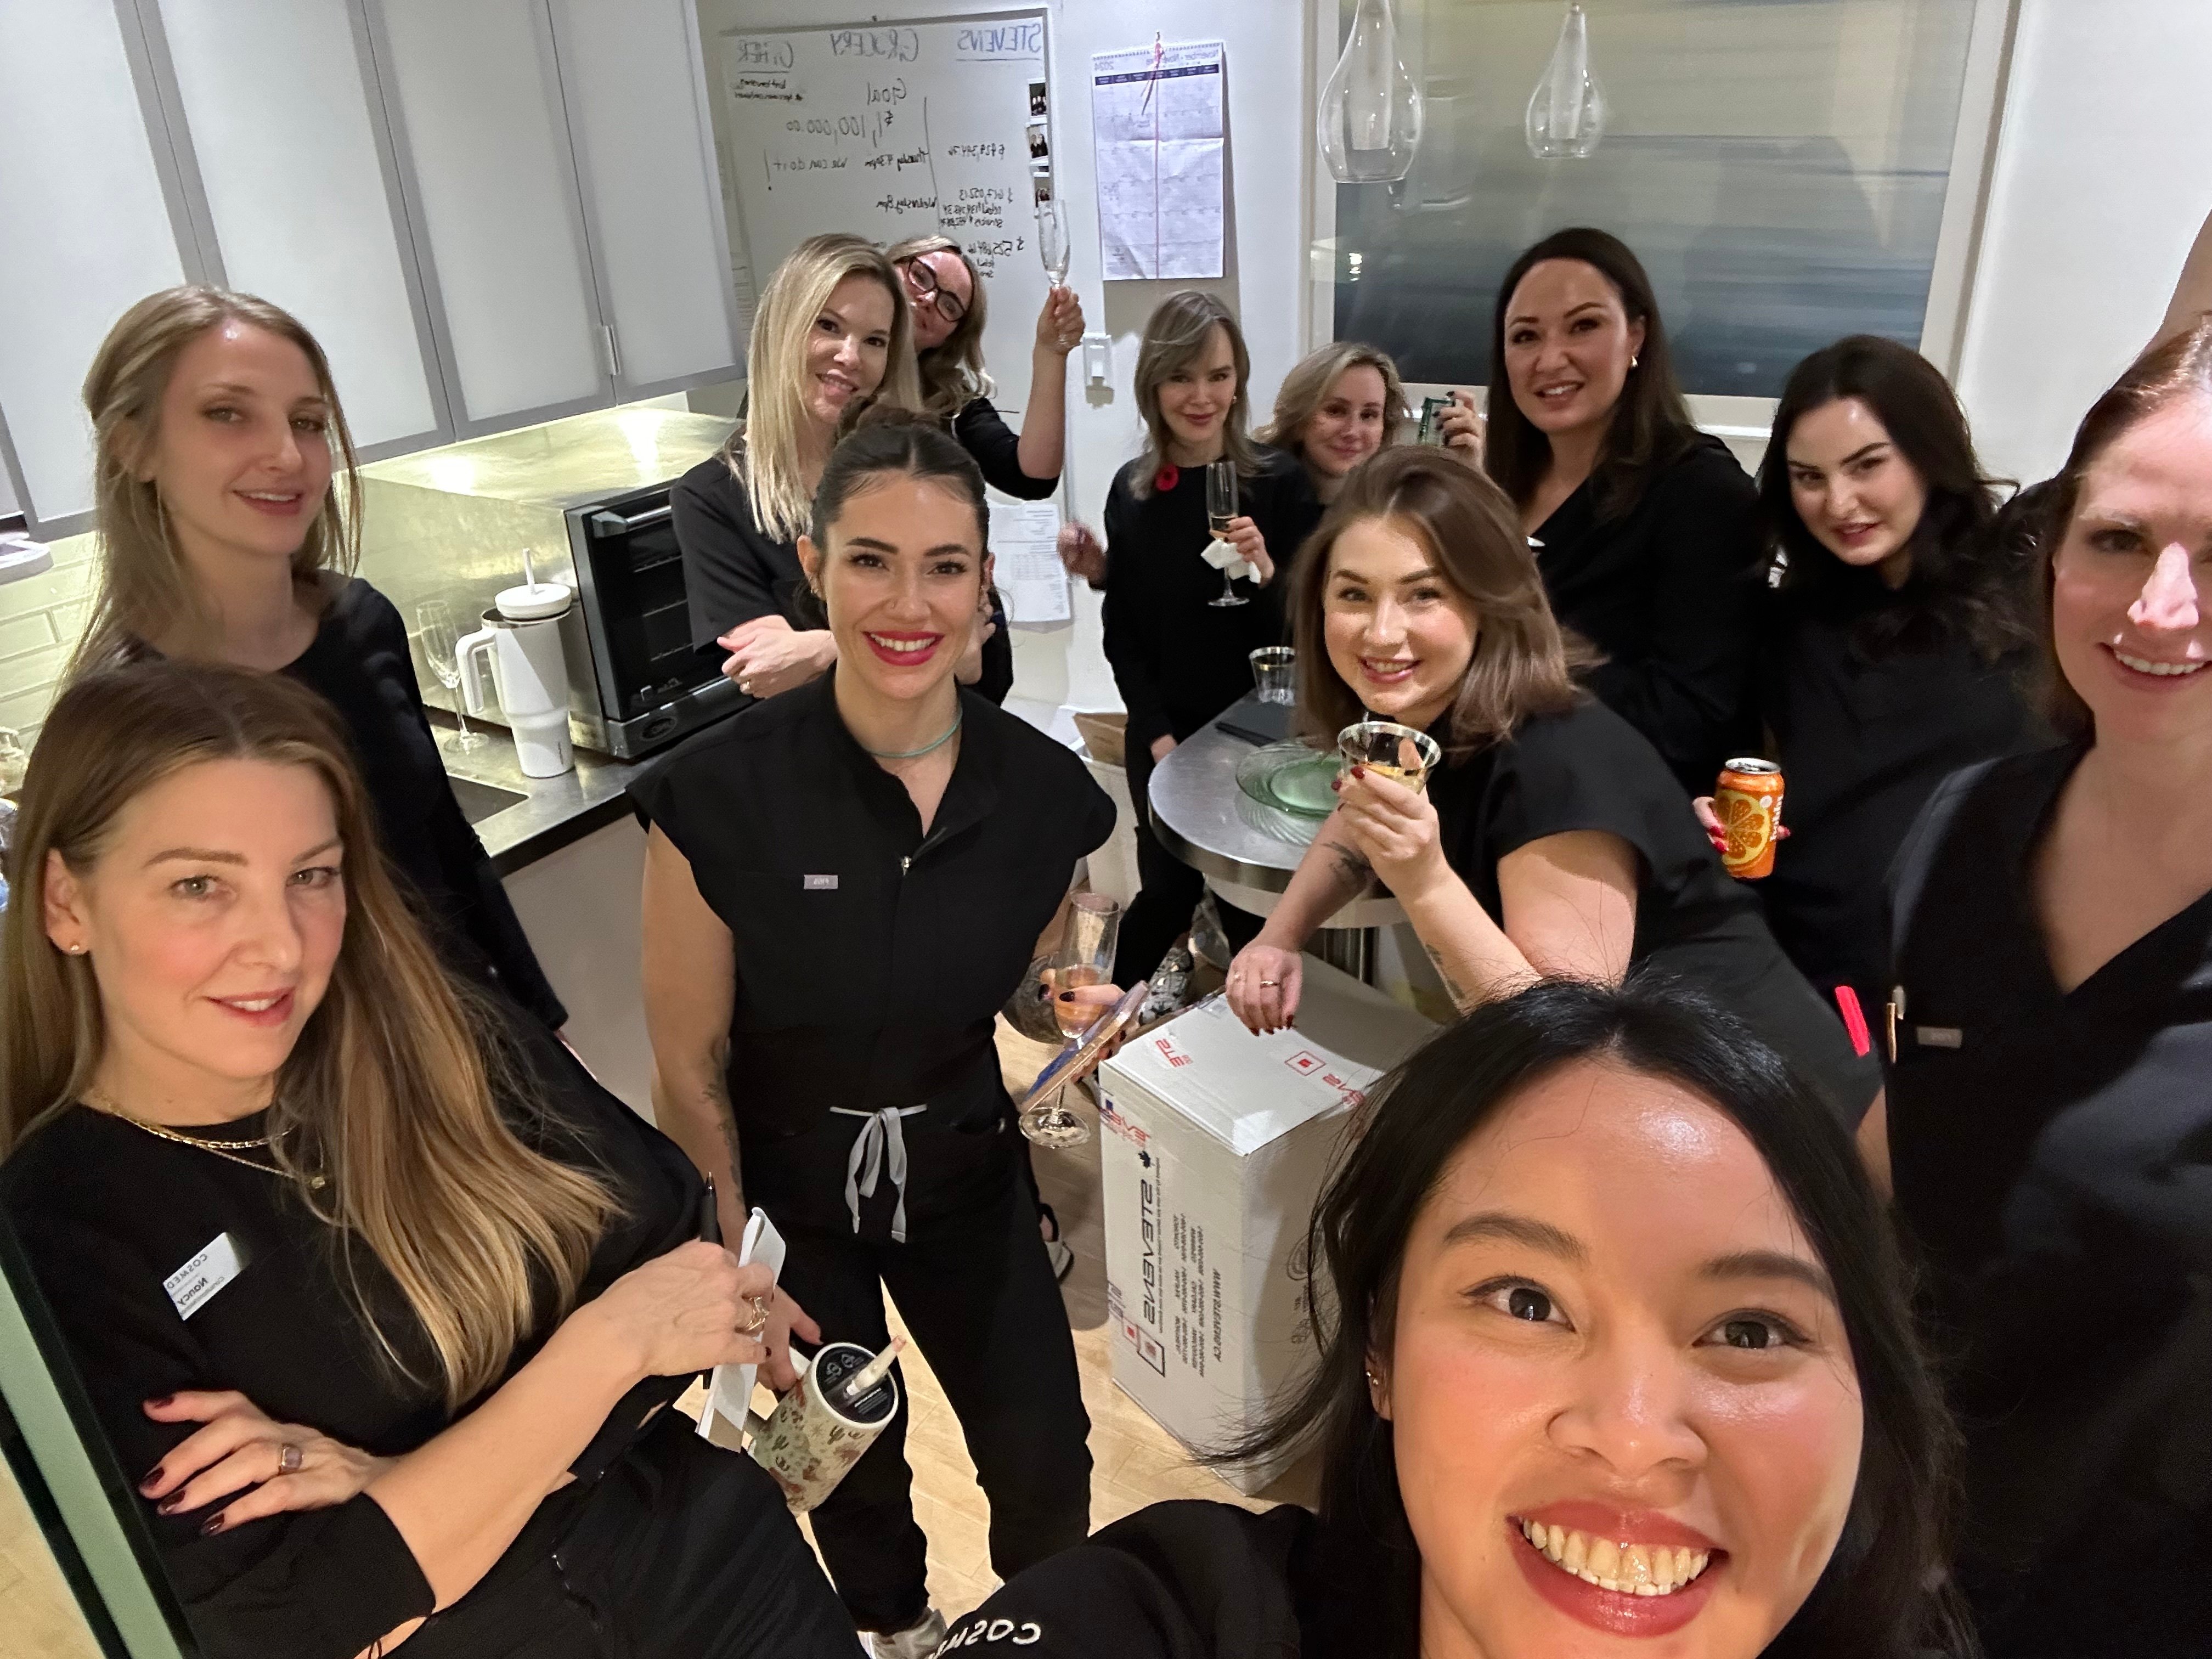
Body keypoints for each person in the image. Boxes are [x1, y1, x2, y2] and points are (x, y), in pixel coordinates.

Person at [0, 661, 853, 1659]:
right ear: (64, 900)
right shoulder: (55, 1236)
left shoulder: (434, 1035)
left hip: (731, 1576)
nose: (278, 945)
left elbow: (675, 1245)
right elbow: (279, 1624)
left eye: (311, 875)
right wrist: (606, 1344)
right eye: (200, 884)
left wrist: (387, 1488)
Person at [944, 976, 1969, 1659]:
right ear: (1380, 1348)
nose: (1630, 1435)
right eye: (1527, 1301)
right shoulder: (1178, 1614)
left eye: (1747, 1328)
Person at [633, 413, 1124, 1658]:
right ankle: (897, 1632)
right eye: (872, 560)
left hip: (965, 1166)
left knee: (1042, 1456)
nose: (910, 602)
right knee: (843, 1454)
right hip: (793, 1192)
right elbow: (689, 1066)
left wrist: (1074, 996)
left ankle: (1032, 1635)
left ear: (983, 584)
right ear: (815, 566)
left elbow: (1026, 993)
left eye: (945, 566)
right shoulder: (718, 799)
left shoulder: (1043, 798)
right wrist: (728, 1259)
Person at [1861, 318, 2212, 1657]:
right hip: (1915, 1553)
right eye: (2120, 539)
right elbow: (1910, 1127)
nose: (2160, 606)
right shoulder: (1965, 826)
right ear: (2056, 553)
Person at [1227, 448, 1875, 1124]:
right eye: (1354, 594)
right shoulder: (1418, 714)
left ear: (1489, 600)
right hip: (1659, 1092)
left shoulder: (1556, 763)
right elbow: (1357, 817)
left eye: (1426, 594)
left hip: (1771, 1110)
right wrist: (1280, 936)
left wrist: (1424, 881)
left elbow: (1564, 1046)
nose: (1383, 633)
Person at [67, 285, 565, 1030]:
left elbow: (444, 845)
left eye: (307, 423)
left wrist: (543, 1023)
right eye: (227, 414)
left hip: (472, 1040)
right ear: (132, 446)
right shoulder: (128, 714)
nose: (285, 455)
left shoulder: (361, 622)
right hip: (313, 1091)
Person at [1686, 336, 2045, 1022]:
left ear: (1928, 455)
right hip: (1811, 984)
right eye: (1809, 477)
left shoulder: (2027, 589)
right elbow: (1773, 782)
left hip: (1982, 989)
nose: (1840, 503)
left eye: (1867, 466)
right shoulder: (1788, 626)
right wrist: (1717, 821)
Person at [1088, 292, 1323, 985]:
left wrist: (1267, 570)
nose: (1202, 396)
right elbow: (1123, 627)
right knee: (1166, 892)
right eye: (1181, 377)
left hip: (1260, 736)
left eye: (1219, 376)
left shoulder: (1279, 484)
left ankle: (1254, 1063)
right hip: (1165, 728)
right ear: (1152, 385)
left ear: (1239, 381)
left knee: (1254, 912)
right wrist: (1159, 735)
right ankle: (1098, 1043)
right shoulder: (1134, 491)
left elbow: (1304, 634)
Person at [673, 235, 1013, 704]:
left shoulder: (913, 466)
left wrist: (820, 649)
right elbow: (774, 679)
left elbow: (989, 666)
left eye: (875, 341)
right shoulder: (711, 498)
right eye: (829, 326)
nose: (851, 358)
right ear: (781, 328)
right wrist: (942, 649)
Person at [1485, 228, 1760, 793]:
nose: (1550, 359)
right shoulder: (1501, 489)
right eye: (1525, 337)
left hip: (1617, 813)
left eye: (1583, 326)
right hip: (1500, 785)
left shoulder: (1702, 493)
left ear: (1636, 335)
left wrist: (1522, 662)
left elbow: (1694, 722)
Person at [889, 234, 1081, 504]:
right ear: (889, 267)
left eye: (949, 306)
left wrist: (1050, 352)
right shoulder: (831, 362)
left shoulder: (949, 403)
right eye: (921, 277)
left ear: (949, 337)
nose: (929, 299)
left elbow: (1031, 479)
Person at [1256, 341, 1409, 504]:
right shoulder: (1253, 497)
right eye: (1335, 411)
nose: (1352, 431)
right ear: (1298, 418)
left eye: (1368, 415)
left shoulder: (1396, 507)